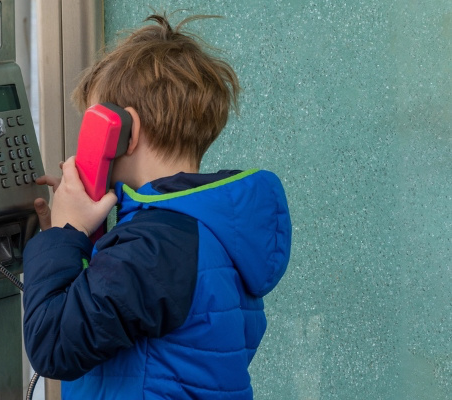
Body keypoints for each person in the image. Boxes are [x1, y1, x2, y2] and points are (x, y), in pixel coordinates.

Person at [22, 13, 292, 400]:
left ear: (123, 132)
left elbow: (52, 345)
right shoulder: (202, 231)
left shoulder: (152, 247)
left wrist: (67, 234)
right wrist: (70, 241)